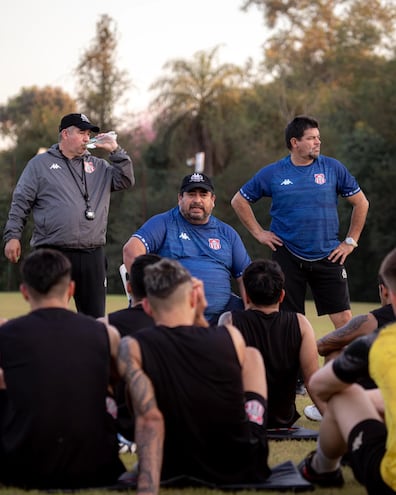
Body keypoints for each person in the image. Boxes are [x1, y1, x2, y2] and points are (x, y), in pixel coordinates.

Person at [117, 258, 271, 494]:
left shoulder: (133, 347)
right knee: (251, 356)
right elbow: (201, 350)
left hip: (172, 464)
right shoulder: (231, 337)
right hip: (241, 462)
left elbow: (150, 419)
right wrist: (199, 313)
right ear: (193, 299)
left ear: (147, 307)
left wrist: (147, 489)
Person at [0, 249, 125, 489]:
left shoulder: (6, 335)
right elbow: (116, 385)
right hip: (96, 464)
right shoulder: (105, 334)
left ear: (25, 292)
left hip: (22, 467)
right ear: (71, 290)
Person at [231, 115, 369, 330]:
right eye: (311, 138)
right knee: (289, 323)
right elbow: (239, 201)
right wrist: (259, 233)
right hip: (287, 256)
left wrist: (350, 241)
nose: (318, 142)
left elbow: (361, 203)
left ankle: (342, 364)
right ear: (295, 143)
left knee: (344, 322)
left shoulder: (333, 168)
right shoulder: (274, 172)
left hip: (329, 255)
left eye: (318, 137)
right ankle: (296, 364)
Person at [3, 113, 135, 318]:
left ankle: (90, 351)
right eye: (81, 132)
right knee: (50, 316)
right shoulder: (39, 165)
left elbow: (126, 180)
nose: (86, 138)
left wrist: (116, 151)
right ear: (65, 134)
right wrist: (12, 236)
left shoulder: (99, 166)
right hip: (53, 251)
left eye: (88, 133)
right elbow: (21, 202)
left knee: (95, 319)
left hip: (92, 254)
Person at [298, 247, 396, 493]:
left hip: (389, 479)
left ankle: (322, 468)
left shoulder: (379, 340)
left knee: (343, 393)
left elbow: (320, 383)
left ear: (386, 292)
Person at [123, 172, 251, 324]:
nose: (197, 200)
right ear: (180, 198)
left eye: (203, 195)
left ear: (212, 200)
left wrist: (251, 312)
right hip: (173, 320)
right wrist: (154, 294)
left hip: (221, 322)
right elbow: (131, 251)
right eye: (191, 194)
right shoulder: (164, 223)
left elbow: (246, 277)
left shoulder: (227, 233)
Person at [218, 258, 325, 428]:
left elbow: (221, 378)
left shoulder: (229, 320)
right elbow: (311, 381)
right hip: (282, 419)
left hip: (241, 419)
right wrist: (332, 418)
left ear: (246, 296)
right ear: (282, 295)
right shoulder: (301, 323)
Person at [304, 274, 395, 422]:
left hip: (375, 403)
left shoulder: (371, 320)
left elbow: (322, 346)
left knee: (334, 350)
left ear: (383, 290)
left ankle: (329, 410)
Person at [99, 253, 161, 442]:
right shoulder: (177, 326)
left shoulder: (104, 325)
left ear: (129, 287)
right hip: (166, 419)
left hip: (120, 419)